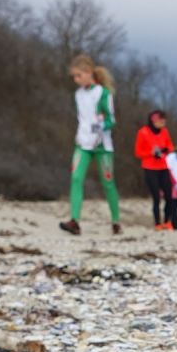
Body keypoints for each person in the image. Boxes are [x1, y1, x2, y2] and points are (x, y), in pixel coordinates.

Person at [60, 54, 121, 236]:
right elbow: (82, 119)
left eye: (78, 76)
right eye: (74, 77)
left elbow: (111, 120)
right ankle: (74, 220)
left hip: (102, 145)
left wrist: (100, 126)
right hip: (83, 144)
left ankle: (116, 221)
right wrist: (81, 135)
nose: (76, 80)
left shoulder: (103, 93)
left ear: (88, 73)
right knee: (76, 178)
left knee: (108, 183)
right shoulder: (78, 95)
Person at [135, 109, 175, 230]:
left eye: (164, 121)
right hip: (150, 168)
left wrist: (166, 150)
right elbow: (137, 153)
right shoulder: (143, 132)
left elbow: (170, 146)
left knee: (169, 195)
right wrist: (151, 153)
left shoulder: (165, 132)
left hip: (163, 167)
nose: (163, 124)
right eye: (160, 121)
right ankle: (157, 223)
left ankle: (167, 221)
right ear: (154, 121)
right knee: (156, 197)